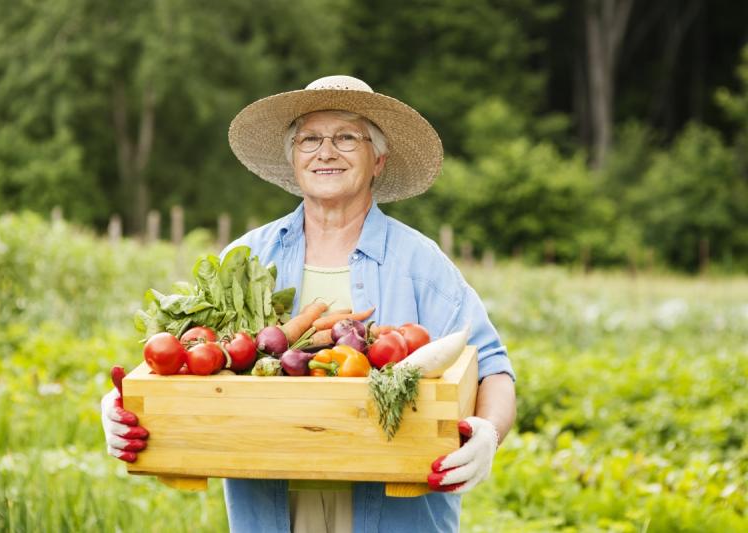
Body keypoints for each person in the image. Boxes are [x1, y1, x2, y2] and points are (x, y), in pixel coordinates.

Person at [101, 75, 516, 532]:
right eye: (310, 139)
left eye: (346, 137)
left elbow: (493, 370)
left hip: (396, 512)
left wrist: (487, 432)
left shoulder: (420, 262)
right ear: (294, 159)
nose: (326, 152)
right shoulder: (249, 257)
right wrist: (123, 406)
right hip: (272, 509)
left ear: (378, 160)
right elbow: (184, 358)